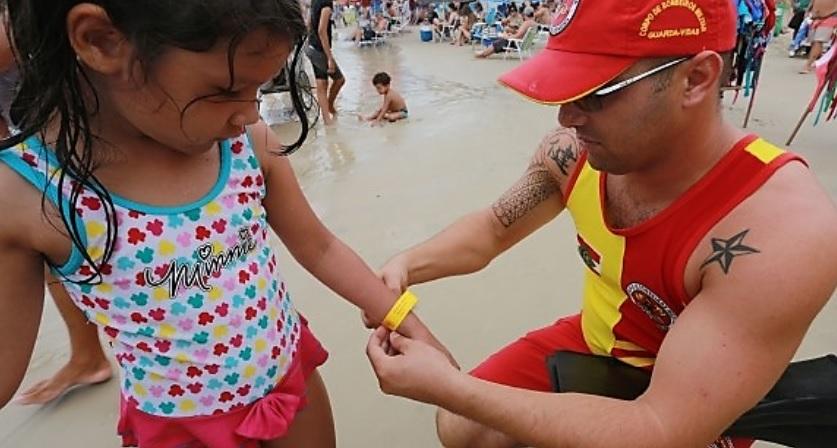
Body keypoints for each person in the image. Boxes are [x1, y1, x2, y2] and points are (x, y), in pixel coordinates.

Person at [364, 0, 837, 447]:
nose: (567, 116)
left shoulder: (782, 229)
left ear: (695, 79)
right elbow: (491, 230)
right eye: (564, 90)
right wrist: (406, 265)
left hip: (703, 390)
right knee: (460, 428)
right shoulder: (572, 155)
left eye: (593, 94)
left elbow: (660, 429)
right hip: (600, 338)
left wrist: (449, 386)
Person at [0, 2, 452, 448]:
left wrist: (411, 326)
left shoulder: (244, 145)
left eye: (259, 89)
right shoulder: (30, 194)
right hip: (182, 428)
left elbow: (321, 248)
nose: (250, 113)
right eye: (224, 89)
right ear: (100, 40)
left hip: (291, 385)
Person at [306, 0, 346, 124]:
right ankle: (329, 110)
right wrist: (329, 58)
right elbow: (322, 30)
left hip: (311, 47)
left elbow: (309, 23)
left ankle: (327, 119)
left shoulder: (315, 1)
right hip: (319, 49)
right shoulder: (326, 4)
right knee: (339, 80)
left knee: (321, 84)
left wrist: (309, 41)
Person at [802, 0, 837, 72]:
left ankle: (808, 64)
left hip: (830, 17)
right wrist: (808, 12)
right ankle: (820, 60)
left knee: (818, 41)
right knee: (813, 42)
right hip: (815, 18)